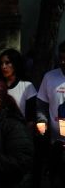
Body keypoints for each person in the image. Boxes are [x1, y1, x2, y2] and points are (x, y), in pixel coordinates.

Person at [36, 41, 65, 188]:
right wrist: (42, 121)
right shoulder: (50, 77)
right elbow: (41, 105)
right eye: (61, 58)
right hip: (55, 143)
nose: (63, 62)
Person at [0, 49, 37, 127]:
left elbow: (31, 119)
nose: (3, 67)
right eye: (1, 63)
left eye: (7, 63)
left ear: (15, 64)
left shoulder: (27, 86)